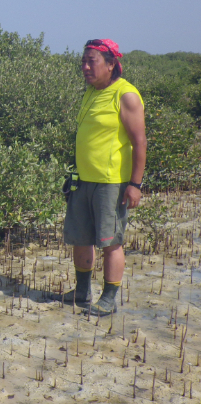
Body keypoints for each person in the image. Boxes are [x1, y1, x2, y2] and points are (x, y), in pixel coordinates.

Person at [56, 39, 146, 316]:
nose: (85, 67)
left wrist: (135, 184)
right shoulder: (91, 92)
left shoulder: (126, 95)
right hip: (83, 179)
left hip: (111, 183)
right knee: (81, 237)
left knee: (111, 242)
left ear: (111, 64)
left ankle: (108, 298)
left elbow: (139, 141)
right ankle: (82, 292)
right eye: (83, 62)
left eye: (90, 61)